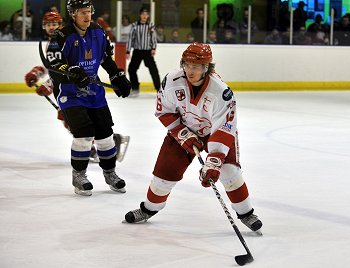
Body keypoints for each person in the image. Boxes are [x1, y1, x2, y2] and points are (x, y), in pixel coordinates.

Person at [124, 42, 263, 234]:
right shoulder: (171, 81)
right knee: (163, 177)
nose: (190, 70)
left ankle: (246, 213)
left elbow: (225, 126)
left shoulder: (220, 92)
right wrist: (181, 133)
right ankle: (148, 209)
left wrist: (214, 160)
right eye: (187, 65)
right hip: (182, 129)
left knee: (229, 172)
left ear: (207, 68)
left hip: (215, 132)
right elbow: (163, 111)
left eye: (196, 66)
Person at [36, 0, 132, 196]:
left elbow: (105, 58)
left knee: (105, 134)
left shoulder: (98, 31)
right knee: (84, 133)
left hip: (94, 92)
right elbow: (55, 68)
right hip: (70, 92)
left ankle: (110, 173)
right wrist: (71, 72)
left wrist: (117, 76)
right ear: (73, 15)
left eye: (88, 11)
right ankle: (79, 175)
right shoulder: (61, 36)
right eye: (82, 12)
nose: (87, 16)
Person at [126, 7, 161, 96]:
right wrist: (128, 51)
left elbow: (153, 38)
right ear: (140, 15)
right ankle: (135, 88)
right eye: (143, 14)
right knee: (131, 69)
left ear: (148, 15)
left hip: (147, 52)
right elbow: (130, 38)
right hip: (137, 51)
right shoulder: (134, 25)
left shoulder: (151, 26)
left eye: (146, 14)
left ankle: (159, 89)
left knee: (153, 70)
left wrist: (153, 48)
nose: (144, 16)